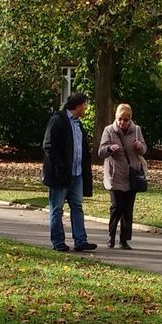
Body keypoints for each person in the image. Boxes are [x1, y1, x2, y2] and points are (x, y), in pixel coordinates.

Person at [42, 93, 97, 252]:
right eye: (85, 105)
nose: (86, 108)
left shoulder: (78, 124)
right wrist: (60, 168)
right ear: (78, 106)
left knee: (77, 207)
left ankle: (81, 241)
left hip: (77, 174)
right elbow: (49, 146)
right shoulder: (58, 120)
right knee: (57, 209)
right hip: (60, 175)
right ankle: (58, 241)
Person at [98, 103, 147, 249]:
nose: (122, 122)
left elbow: (144, 150)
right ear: (116, 117)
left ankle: (124, 240)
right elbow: (100, 152)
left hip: (132, 174)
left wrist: (139, 147)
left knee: (127, 209)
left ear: (130, 118)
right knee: (116, 207)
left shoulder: (136, 130)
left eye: (126, 119)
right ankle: (111, 236)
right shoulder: (109, 130)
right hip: (115, 175)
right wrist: (109, 148)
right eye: (120, 119)